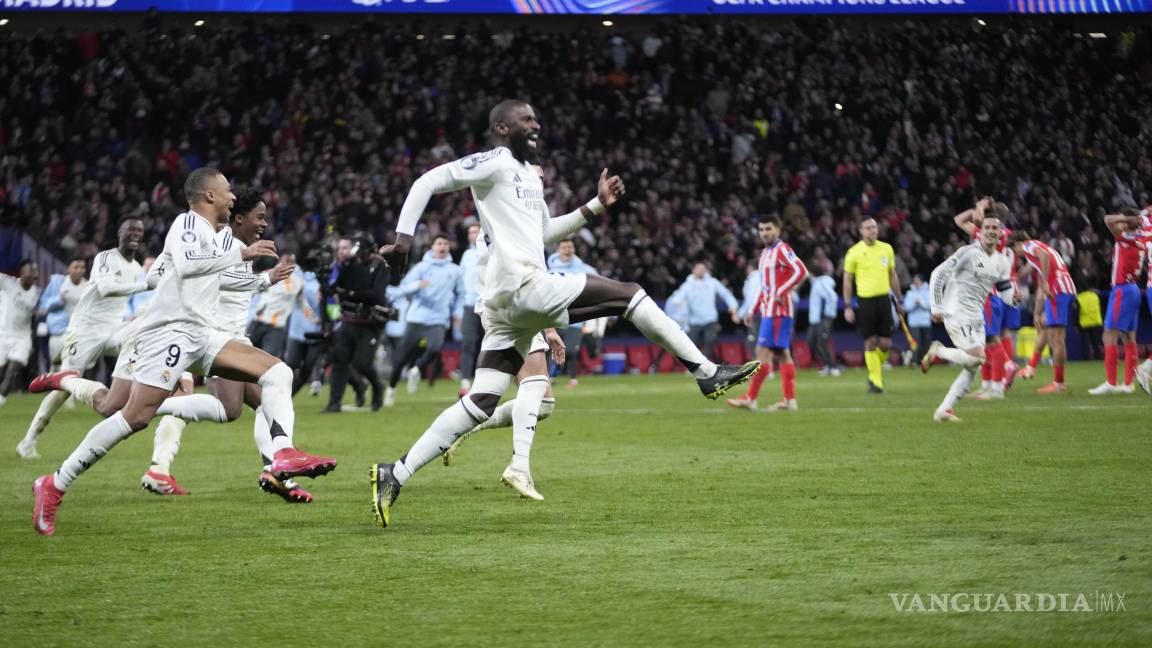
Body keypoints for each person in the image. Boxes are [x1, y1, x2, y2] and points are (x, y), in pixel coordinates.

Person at [369, 99, 759, 528]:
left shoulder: (528, 177)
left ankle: (396, 473)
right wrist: (404, 239)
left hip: (508, 308)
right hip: (521, 287)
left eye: (537, 118)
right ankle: (706, 373)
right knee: (628, 295)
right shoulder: (495, 162)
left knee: (481, 402)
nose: (535, 125)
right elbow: (428, 180)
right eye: (526, 120)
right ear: (502, 128)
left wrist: (595, 205)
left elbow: (543, 232)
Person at [30, 168, 335, 536]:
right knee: (132, 416)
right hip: (168, 332)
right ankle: (55, 483)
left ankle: (283, 454)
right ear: (208, 196)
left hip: (203, 333)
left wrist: (257, 275)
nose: (232, 197)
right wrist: (243, 254)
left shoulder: (211, 233)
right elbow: (190, 265)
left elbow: (195, 274)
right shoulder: (187, 223)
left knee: (277, 373)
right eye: (226, 191)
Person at [140, 187, 304, 501]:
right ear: (239, 218)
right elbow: (219, 278)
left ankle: (276, 472)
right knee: (229, 409)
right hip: (217, 338)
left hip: (231, 336)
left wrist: (262, 277)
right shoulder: (227, 241)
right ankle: (147, 406)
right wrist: (265, 279)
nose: (263, 224)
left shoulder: (238, 244)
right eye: (259, 217)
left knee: (267, 403)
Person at [18, 219, 145, 459]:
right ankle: (28, 441)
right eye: (131, 229)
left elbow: (133, 297)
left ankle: (131, 398)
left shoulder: (137, 268)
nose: (136, 234)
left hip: (113, 330)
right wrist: (146, 283)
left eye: (139, 230)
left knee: (142, 334)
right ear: (120, 232)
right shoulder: (105, 258)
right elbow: (107, 288)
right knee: (64, 388)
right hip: (85, 331)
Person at [919, 216, 1017, 422]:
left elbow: (1005, 290)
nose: (991, 231)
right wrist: (936, 306)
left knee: (973, 367)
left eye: (995, 228)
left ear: (1000, 234)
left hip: (977, 316)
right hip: (956, 311)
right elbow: (938, 273)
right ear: (979, 232)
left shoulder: (1002, 262)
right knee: (978, 357)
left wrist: (1014, 299)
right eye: (987, 228)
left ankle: (944, 410)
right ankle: (939, 350)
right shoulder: (968, 253)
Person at [727, 217, 807, 411]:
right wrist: (752, 309)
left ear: (778, 230)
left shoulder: (782, 249)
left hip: (779, 310)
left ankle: (750, 398)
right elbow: (764, 287)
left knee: (762, 352)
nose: (764, 233)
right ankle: (789, 401)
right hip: (769, 310)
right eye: (761, 229)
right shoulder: (764, 254)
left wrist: (782, 291)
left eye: (768, 228)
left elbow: (801, 271)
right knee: (781, 354)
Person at [383, 234, 462, 407]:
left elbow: (460, 294)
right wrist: (418, 285)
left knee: (434, 347)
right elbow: (402, 290)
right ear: (432, 247)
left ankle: (416, 369)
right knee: (401, 356)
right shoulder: (421, 268)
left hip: (439, 318)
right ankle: (391, 388)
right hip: (417, 317)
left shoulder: (455, 270)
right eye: (439, 243)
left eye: (445, 243)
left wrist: (457, 312)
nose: (442, 246)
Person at [954, 198, 1015, 399]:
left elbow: (963, 220)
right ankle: (988, 385)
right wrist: (978, 208)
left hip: (989, 293)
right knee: (984, 341)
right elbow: (959, 220)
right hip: (984, 294)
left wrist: (979, 207)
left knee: (991, 340)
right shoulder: (992, 232)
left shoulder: (994, 234)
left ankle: (997, 387)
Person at [324, 236, 390, 413]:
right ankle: (334, 403)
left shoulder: (380, 266)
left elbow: (376, 294)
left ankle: (377, 386)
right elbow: (334, 289)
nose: (358, 258)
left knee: (362, 363)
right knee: (340, 360)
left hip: (370, 322)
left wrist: (349, 293)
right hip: (349, 319)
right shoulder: (349, 266)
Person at [1088, 209, 1150, 394]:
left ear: (1129, 223)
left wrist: (1128, 218)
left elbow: (1108, 220)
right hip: (1135, 290)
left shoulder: (1126, 238)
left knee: (1108, 335)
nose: (1120, 223)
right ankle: (1128, 383)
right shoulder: (1142, 240)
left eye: (1124, 220)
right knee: (1129, 337)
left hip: (1122, 290)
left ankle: (1111, 382)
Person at [1009, 230, 1077, 393]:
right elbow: (1034, 273)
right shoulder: (1038, 248)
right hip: (1064, 290)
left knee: (1057, 338)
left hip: (1057, 292)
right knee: (1045, 328)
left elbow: (1044, 258)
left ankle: (1059, 383)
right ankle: (1031, 367)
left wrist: (1046, 282)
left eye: (1013, 249)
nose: (1016, 253)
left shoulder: (1029, 246)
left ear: (1018, 243)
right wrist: (1037, 313)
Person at [842, 217, 903, 393]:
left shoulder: (886, 249)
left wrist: (898, 300)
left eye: (874, 227)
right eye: (868, 228)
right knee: (870, 342)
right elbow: (847, 279)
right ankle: (876, 382)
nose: (873, 230)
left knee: (885, 343)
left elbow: (892, 275)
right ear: (861, 231)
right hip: (865, 301)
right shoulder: (854, 252)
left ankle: (873, 373)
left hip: (884, 299)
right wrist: (847, 305)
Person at [547, 238, 598, 388]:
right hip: (555, 316)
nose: (568, 250)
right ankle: (554, 376)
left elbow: (601, 286)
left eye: (570, 247)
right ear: (558, 250)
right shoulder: (550, 271)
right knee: (555, 348)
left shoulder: (585, 269)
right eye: (564, 247)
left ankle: (569, 377)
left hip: (577, 316)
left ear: (574, 249)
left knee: (570, 350)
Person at [672, 262, 741, 357]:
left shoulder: (712, 282)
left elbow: (726, 294)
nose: (701, 271)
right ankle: (693, 366)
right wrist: (679, 310)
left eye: (703, 269)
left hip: (710, 319)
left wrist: (733, 307)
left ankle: (707, 364)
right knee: (692, 344)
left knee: (709, 341)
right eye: (699, 268)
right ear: (694, 270)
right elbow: (676, 300)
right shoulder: (687, 285)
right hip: (694, 320)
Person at [0, 259, 41, 406]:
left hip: (22, 338)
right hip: (3, 334)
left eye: (36, 270)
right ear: (22, 273)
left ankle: (1, 399)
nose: (34, 274)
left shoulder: (36, 293)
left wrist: (33, 341)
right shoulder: (8, 282)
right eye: (31, 270)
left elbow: (32, 319)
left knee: (13, 370)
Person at [247, 252, 300, 359]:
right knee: (244, 354)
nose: (289, 264)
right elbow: (250, 291)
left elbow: (302, 303)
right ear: (280, 260)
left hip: (276, 327)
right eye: (287, 261)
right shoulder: (267, 274)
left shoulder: (297, 282)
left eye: (292, 262)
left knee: (268, 359)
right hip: (258, 321)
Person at [39, 257, 89, 371]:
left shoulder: (87, 286)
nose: (79, 270)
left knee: (74, 365)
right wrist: (59, 299)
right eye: (76, 267)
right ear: (69, 269)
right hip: (58, 332)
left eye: (82, 267)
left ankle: (73, 387)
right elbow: (43, 304)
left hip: (78, 333)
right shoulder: (58, 283)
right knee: (56, 365)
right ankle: (53, 386)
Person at [286, 265, 324, 396]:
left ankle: (288, 396)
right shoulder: (294, 272)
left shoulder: (324, 275)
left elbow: (331, 303)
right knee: (290, 365)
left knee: (307, 368)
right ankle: (279, 396)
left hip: (316, 331)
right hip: (297, 330)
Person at [457, 223, 482, 396]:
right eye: (470, 232)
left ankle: (483, 381)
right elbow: (460, 284)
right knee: (468, 343)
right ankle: (465, 381)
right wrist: (456, 310)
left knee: (487, 344)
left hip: (489, 304)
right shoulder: (466, 255)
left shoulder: (493, 250)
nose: (472, 234)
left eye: (476, 231)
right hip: (469, 304)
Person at [807, 259, 840, 376]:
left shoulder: (822, 282)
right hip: (815, 320)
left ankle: (833, 366)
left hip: (823, 318)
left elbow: (832, 296)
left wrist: (826, 314)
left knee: (822, 342)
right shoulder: (816, 283)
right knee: (811, 342)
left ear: (811, 273)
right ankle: (827, 364)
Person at [903, 274, 933, 367]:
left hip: (925, 321)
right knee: (915, 342)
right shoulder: (909, 293)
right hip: (914, 322)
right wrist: (914, 304)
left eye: (918, 280)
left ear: (922, 281)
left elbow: (930, 306)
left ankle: (926, 361)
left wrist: (921, 302)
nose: (916, 282)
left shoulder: (928, 292)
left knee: (926, 343)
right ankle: (915, 361)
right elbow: (906, 308)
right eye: (915, 280)